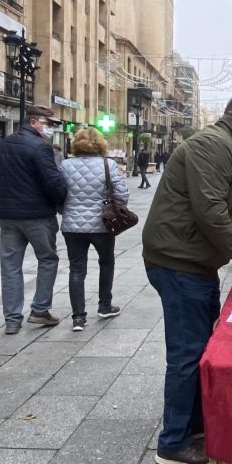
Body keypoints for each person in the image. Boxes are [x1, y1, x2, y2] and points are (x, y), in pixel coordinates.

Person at [142, 93, 232, 464]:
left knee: (201, 347)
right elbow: (211, 209)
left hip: (193, 262)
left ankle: (194, 426)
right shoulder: (213, 145)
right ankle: (172, 443)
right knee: (187, 353)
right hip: (178, 262)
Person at [0, 105, 67, 335]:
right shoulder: (40, 147)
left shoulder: (4, 144)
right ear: (35, 121)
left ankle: (12, 319)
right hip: (37, 215)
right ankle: (40, 309)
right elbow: (53, 181)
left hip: (8, 215)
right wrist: (61, 200)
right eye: (49, 123)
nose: (51, 128)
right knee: (47, 259)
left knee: (10, 266)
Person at [60, 128, 129, 332]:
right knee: (106, 262)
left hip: (72, 225)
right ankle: (105, 306)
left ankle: (78, 318)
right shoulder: (108, 165)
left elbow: (56, 191)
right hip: (102, 224)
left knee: (76, 268)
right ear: (100, 144)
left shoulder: (65, 165)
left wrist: (66, 210)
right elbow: (122, 194)